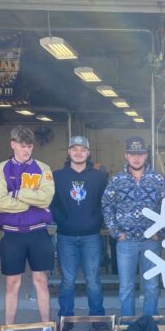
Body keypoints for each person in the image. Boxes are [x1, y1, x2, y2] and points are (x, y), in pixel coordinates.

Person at [0, 126, 55, 331]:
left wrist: (17, 193)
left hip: (38, 233)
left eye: (29, 146)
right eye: (22, 145)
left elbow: (46, 198)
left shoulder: (43, 168)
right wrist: (31, 202)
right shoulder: (1, 169)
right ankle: (9, 329)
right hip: (12, 234)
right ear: (13, 144)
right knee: (12, 283)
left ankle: (47, 327)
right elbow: (0, 203)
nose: (26, 150)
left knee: (41, 280)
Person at [101, 136, 165, 316]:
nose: (136, 158)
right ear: (126, 155)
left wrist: (160, 232)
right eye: (132, 154)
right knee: (126, 286)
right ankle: (127, 326)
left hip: (151, 241)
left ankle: (149, 326)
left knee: (152, 285)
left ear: (146, 156)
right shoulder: (117, 180)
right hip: (126, 241)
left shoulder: (158, 179)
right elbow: (106, 206)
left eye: (140, 154)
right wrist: (117, 233)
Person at [52, 135, 108, 319]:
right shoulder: (57, 176)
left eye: (82, 149)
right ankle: (65, 319)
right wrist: (62, 220)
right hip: (66, 236)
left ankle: (97, 318)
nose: (78, 153)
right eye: (74, 149)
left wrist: (96, 221)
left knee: (93, 280)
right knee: (68, 281)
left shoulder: (99, 177)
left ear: (88, 153)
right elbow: (51, 203)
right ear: (69, 152)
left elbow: (105, 203)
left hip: (91, 236)